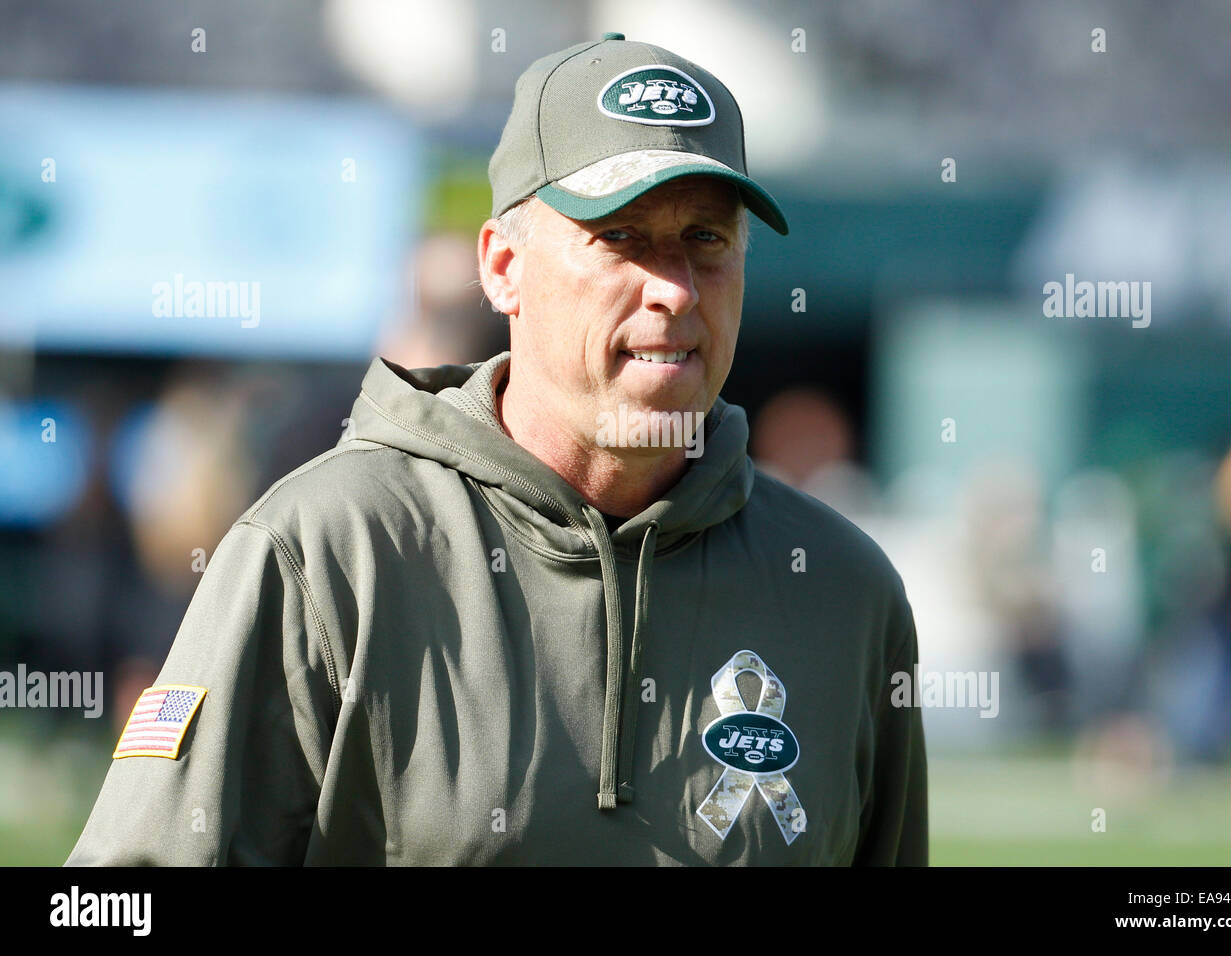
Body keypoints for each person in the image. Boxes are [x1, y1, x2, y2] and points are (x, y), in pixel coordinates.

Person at [66, 32, 927, 866]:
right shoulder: (327, 552)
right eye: (619, 237)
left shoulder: (845, 592)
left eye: (705, 239)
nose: (671, 289)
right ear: (504, 266)